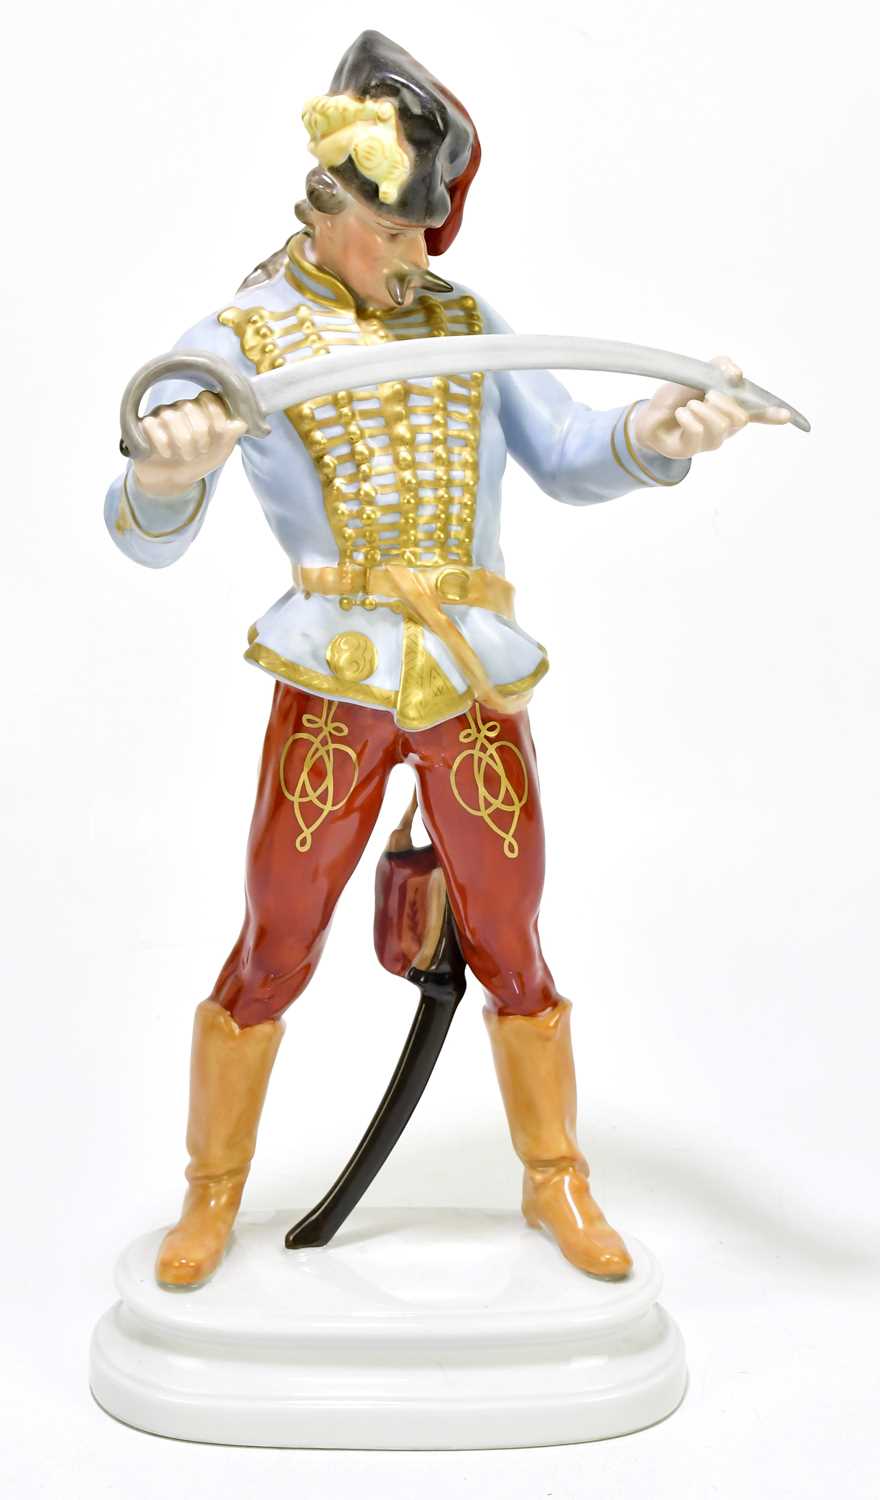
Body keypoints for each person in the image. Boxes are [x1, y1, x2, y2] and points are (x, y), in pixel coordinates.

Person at [105, 30, 791, 1291]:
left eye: (426, 230)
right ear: (329, 203)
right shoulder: (238, 342)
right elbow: (145, 531)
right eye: (395, 230)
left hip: (470, 680)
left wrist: (657, 431)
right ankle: (212, 1190)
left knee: (512, 933)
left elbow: (570, 453)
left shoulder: (466, 324)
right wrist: (163, 471)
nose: (417, 256)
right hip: (334, 682)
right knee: (276, 936)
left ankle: (554, 1174)